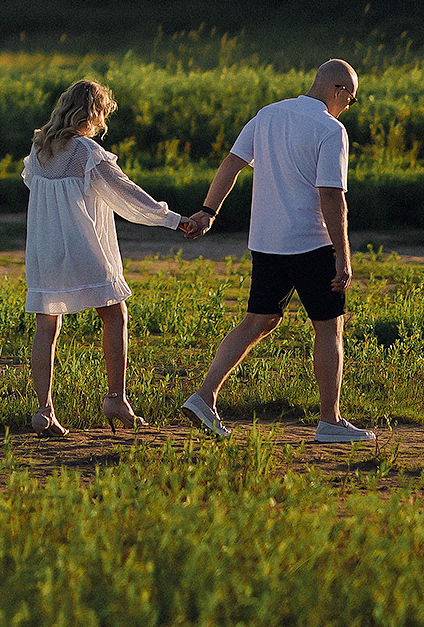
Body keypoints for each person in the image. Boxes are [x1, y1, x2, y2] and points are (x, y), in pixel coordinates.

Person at [175, 59, 374, 445]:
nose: (348, 107)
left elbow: (232, 163)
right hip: (311, 242)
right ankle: (330, 420)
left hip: (267, 243)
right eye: (351, 100)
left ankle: (204, 397)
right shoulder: (330, 129)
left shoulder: (268, 114)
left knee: (258, 321)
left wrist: (208, 211)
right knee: (329, 327)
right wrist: (343, 254)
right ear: (339, 91)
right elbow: (332, 195)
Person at [21, 78, 186, 436]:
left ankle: (44, 410)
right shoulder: (86, 151)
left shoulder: (40, 149)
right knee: (115, 315)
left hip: (44, 249)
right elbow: (126, 193)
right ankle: (115, 398)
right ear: (93, 113)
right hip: (81, 245)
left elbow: (39, 190)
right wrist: (173, 219)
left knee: (47, 325)